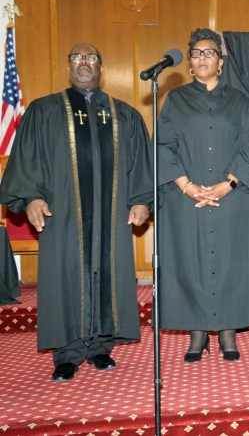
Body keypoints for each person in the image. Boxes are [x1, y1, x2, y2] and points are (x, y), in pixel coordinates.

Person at [0, 43, 153, 382]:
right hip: (63, 213)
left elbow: (140, 164)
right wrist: (31, 198)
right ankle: (67, 353)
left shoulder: (123, 114)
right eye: (77, 57)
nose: (84, 63)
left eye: (91, 58)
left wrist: (141, 200)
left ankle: (101, 347)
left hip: (110, 215)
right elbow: (27, 160)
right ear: (69, 67)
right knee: (64, 275)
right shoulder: (44, 111)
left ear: (101, 67)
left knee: (108, 271)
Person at [157, 28, 249, 362]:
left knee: (230, 262)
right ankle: (196, 333)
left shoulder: (238, 100)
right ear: (189, 62)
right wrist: (186, 185)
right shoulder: (176, 100)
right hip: (185, 198)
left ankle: (228, 332)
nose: (202, 58)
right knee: (189, 261)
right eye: (196, 53)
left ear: (221, 62)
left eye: (209, 53)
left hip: (231, 199)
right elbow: (164, 144)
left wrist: (228, 183)